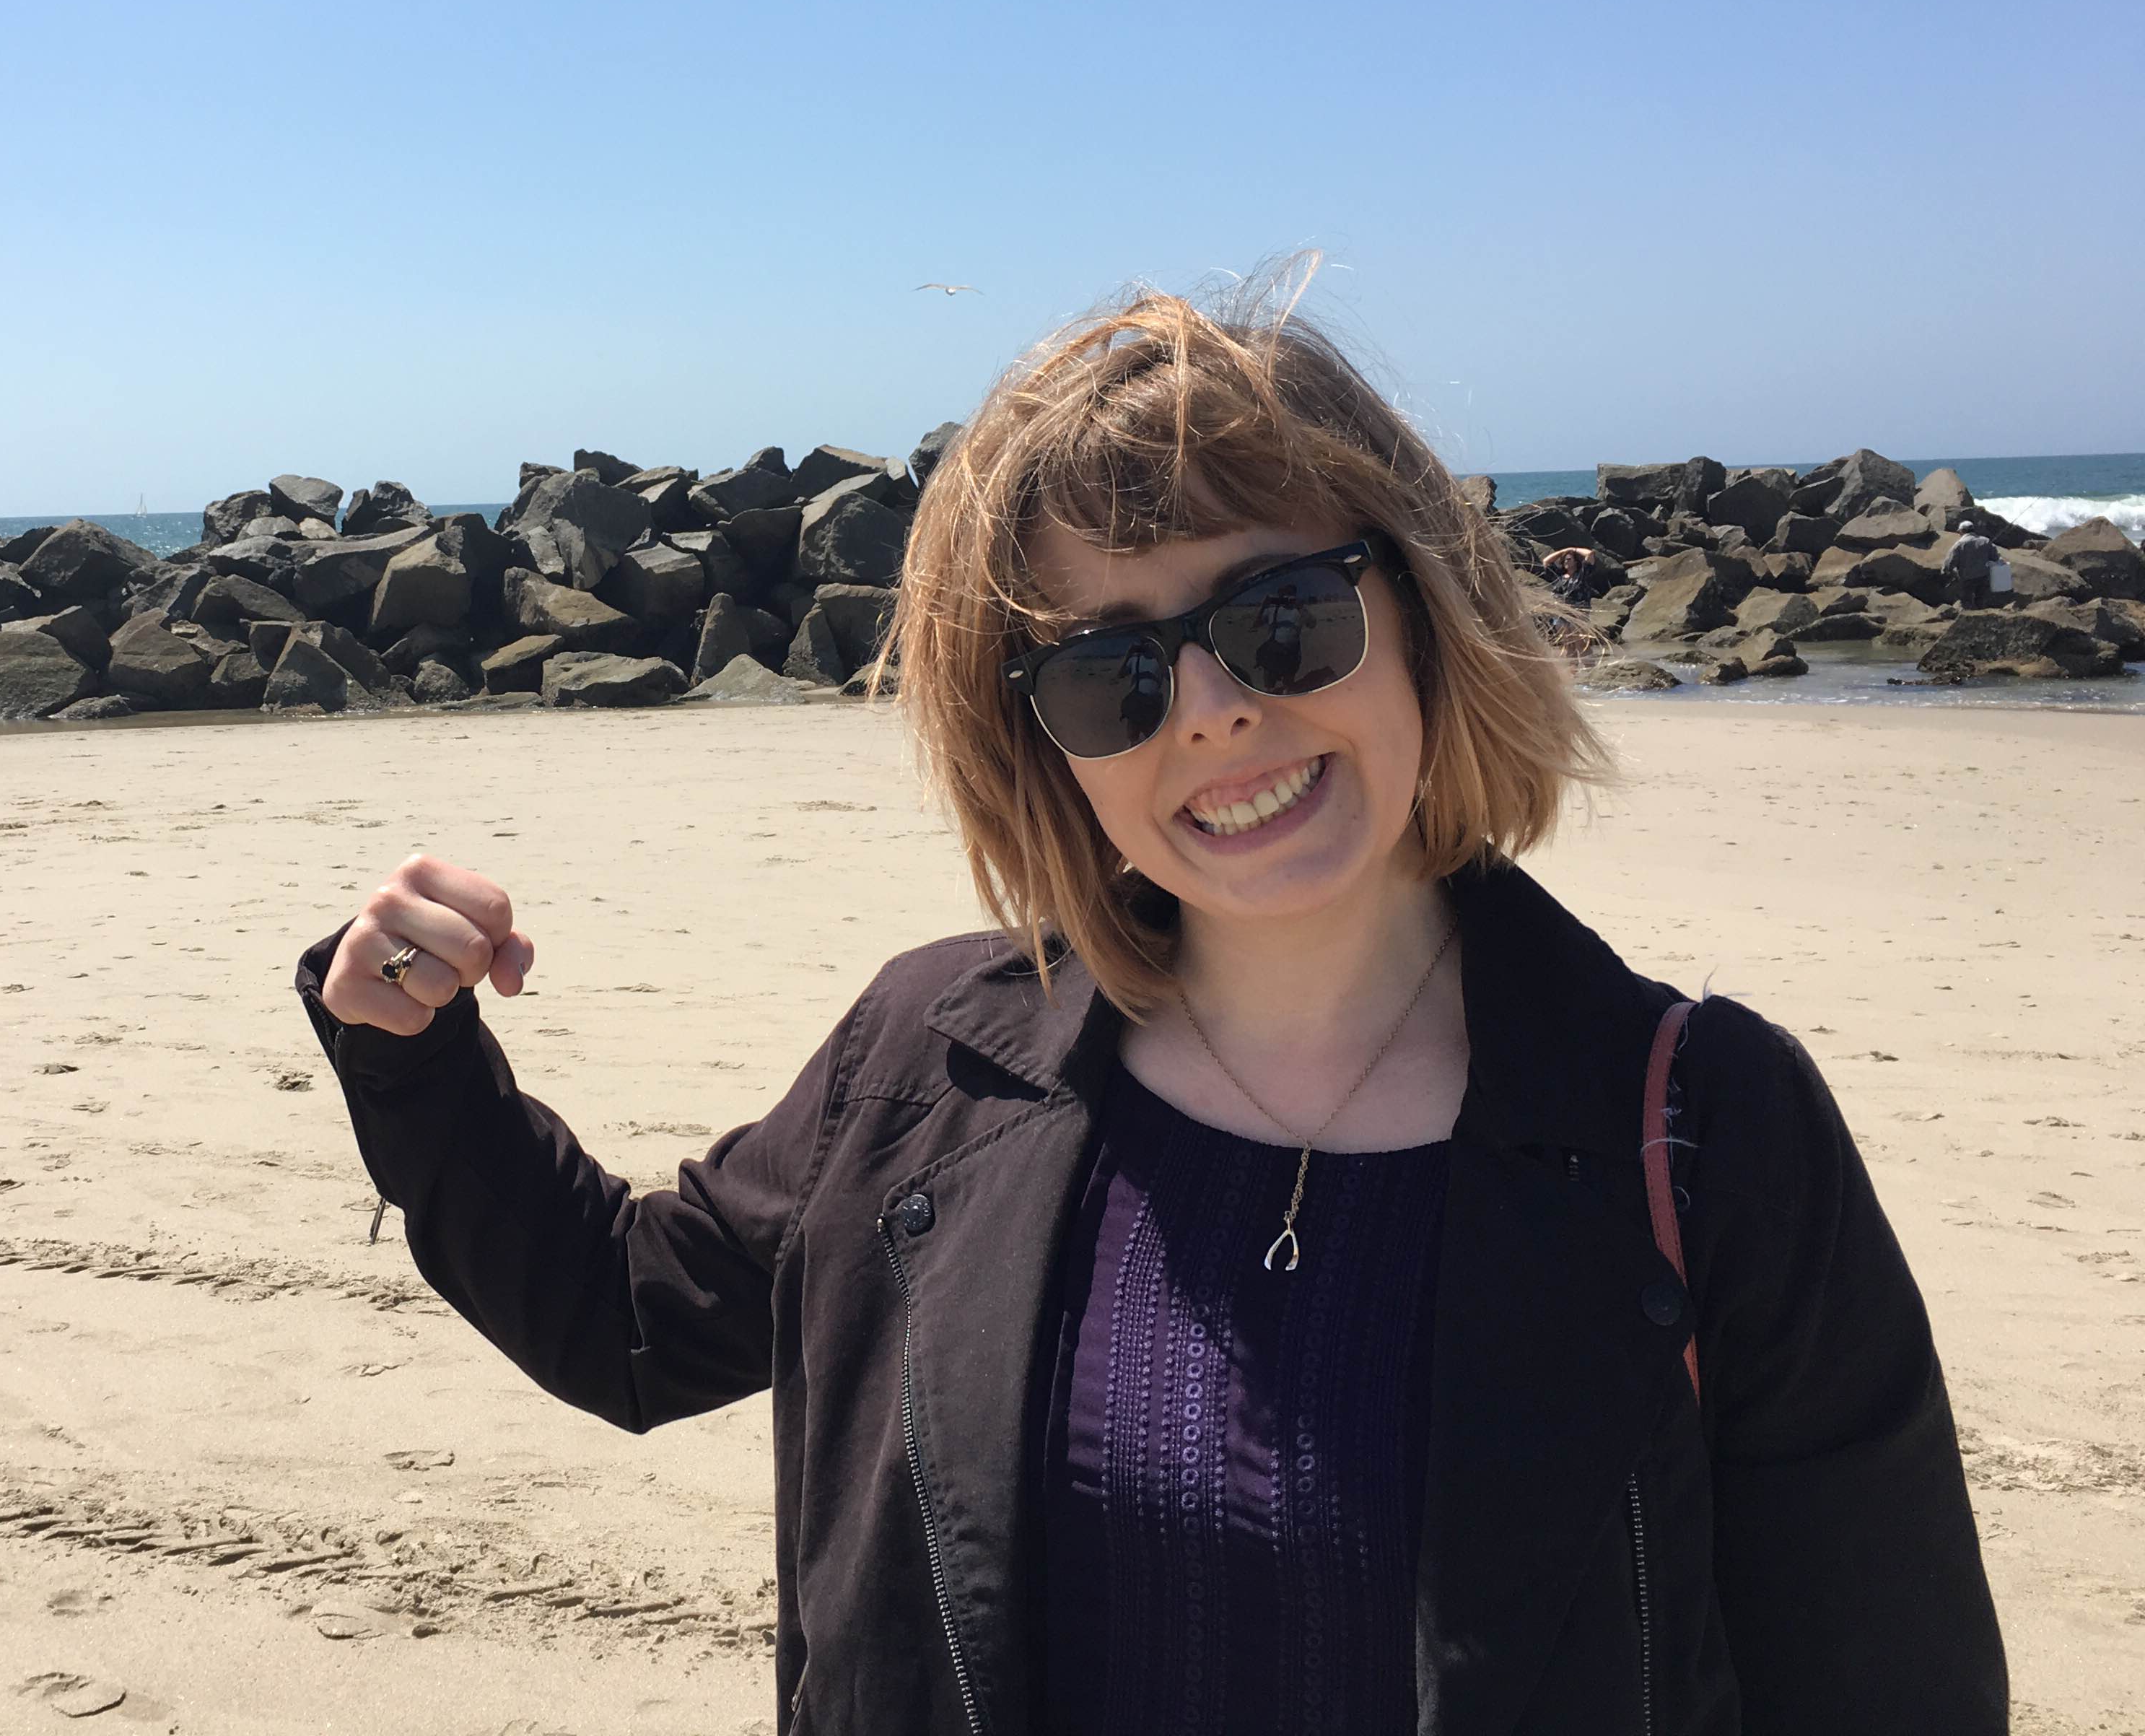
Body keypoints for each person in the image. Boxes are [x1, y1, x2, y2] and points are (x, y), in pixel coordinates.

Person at [295, 284, 2005, 1732]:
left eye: (1282, 618)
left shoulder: (1703, 1129)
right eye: (1109, 673)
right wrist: (413, 1053)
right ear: (1040, 741)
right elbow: (624, 1316)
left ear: (1422, 608)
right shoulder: (927, 1063)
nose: (1207, 714)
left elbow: (1892, 1691)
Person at [1944, 527, 1998, 611]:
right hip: (1983, 576)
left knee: (1966, 600)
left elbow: (1951, 561)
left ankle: (1967, 614)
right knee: (1981, 598)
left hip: (1967, 577)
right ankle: (1981, 613)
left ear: (1962, 531)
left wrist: (1947, 571)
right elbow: (1995, 558)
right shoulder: (1986, 541)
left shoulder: (1960, 544)